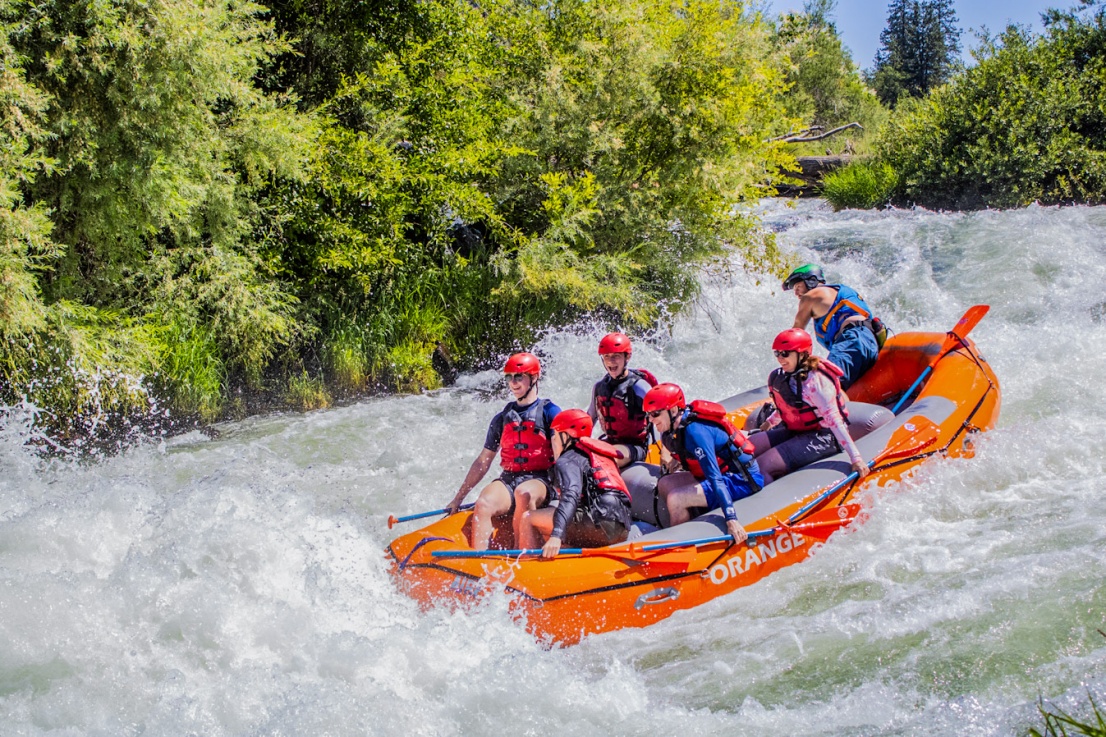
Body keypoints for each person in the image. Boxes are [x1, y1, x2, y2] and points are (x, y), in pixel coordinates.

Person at [445, 352, 561, 550]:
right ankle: (479, 566)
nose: (513, 383)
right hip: (510, 479)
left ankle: (524, 557)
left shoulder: (551, 413)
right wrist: (458, 498)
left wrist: (567, 495)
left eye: (518, 376)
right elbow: (483, 462)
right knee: (483, 503)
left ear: (534, 378)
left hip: (542, 481)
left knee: (524, 493)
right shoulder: (502, 418)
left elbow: (561, 457)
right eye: (509, 377)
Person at [645, 383, 764, 544]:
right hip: (724, 474)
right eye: (649, 414)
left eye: (656, 414)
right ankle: (688, 520)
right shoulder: (673, 426)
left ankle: (681, 546)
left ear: (673, 410)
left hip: (742, 479)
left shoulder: (696, 432)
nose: (651, 420)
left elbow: (715, 477)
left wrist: (731, 519)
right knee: (665, 483)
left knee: (676, 499)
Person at [751, 328, 868, 485]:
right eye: (777, 353)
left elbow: (834, 420)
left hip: (824, 437)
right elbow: (788, 407)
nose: (780, 358)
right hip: (797, 430)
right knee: (749, 447)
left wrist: (856, 458)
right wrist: (770, 422)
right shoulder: (784, 376)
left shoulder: (816, 382)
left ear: (802, 353)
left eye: (785, 353)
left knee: (762, 465)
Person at [519, 409, 633, 558]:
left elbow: (570, 495)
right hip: (622, 527)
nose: (553, 440)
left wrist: (557, 535)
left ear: (565, 435)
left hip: (600, 526)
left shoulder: (568, 459)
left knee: (527, 518)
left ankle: (527, 568)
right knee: (564, 520)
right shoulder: (597, 453)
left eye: (555, 434)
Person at [783, 263, 886, 389]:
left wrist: (784, 358)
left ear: (811, 281)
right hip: (870, 343)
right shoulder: (838, 292)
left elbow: (795, 334)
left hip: (852, 340)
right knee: (837, 387)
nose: (796, 293)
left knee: (827, 386)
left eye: (798, 286)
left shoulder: (811, 296)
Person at [587, 332, 658, 468]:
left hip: (635, 447)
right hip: (610, 441)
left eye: (616, 356)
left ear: (627, 357)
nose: (610, 361)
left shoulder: (639, 387)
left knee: (610, 459)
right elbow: (590, 419)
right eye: (606, 356)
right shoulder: (599, 387)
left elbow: (661, 417)